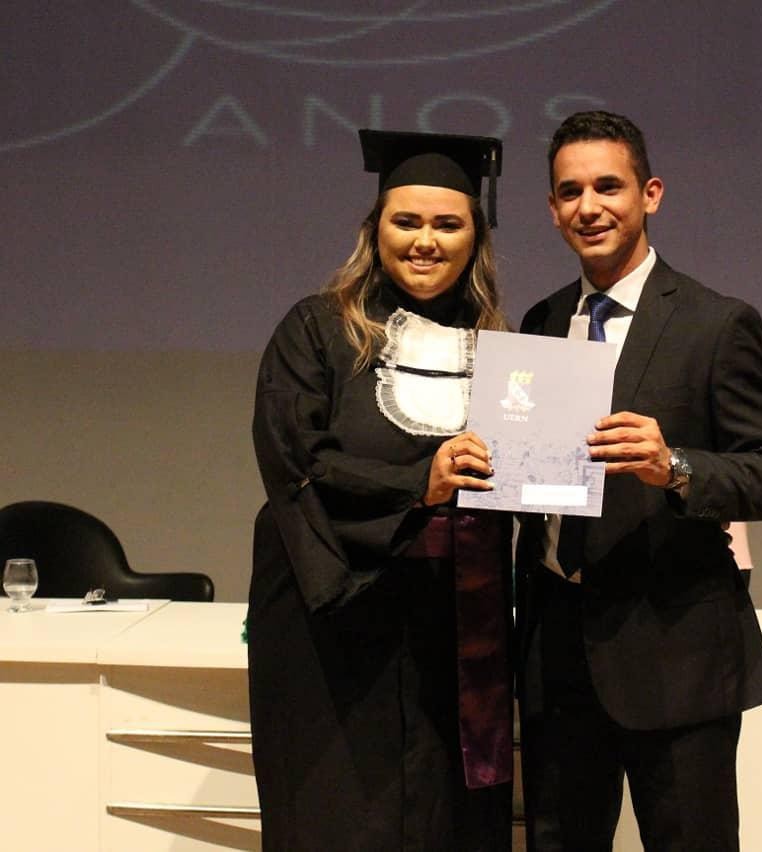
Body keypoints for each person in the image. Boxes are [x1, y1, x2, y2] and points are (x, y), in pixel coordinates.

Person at [514, 110, 762, 851]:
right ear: (552, 209)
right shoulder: (541, 322)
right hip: (557, 647)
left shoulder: (716, 323)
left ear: (651, 194)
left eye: (608, 186)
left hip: (676, 655)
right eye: (570, 192)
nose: (589, 206)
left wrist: (674, 465)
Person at [248, 129, 514, 851]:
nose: (425, 241)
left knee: (444, 813)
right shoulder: (318, 329)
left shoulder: (501, 348)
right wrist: (418, 484)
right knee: (337, 811)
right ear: (375, 230)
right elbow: (295, 458)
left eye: (447, 224)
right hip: (335, 611)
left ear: (474, 238)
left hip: (454, 622)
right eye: (407, 222)